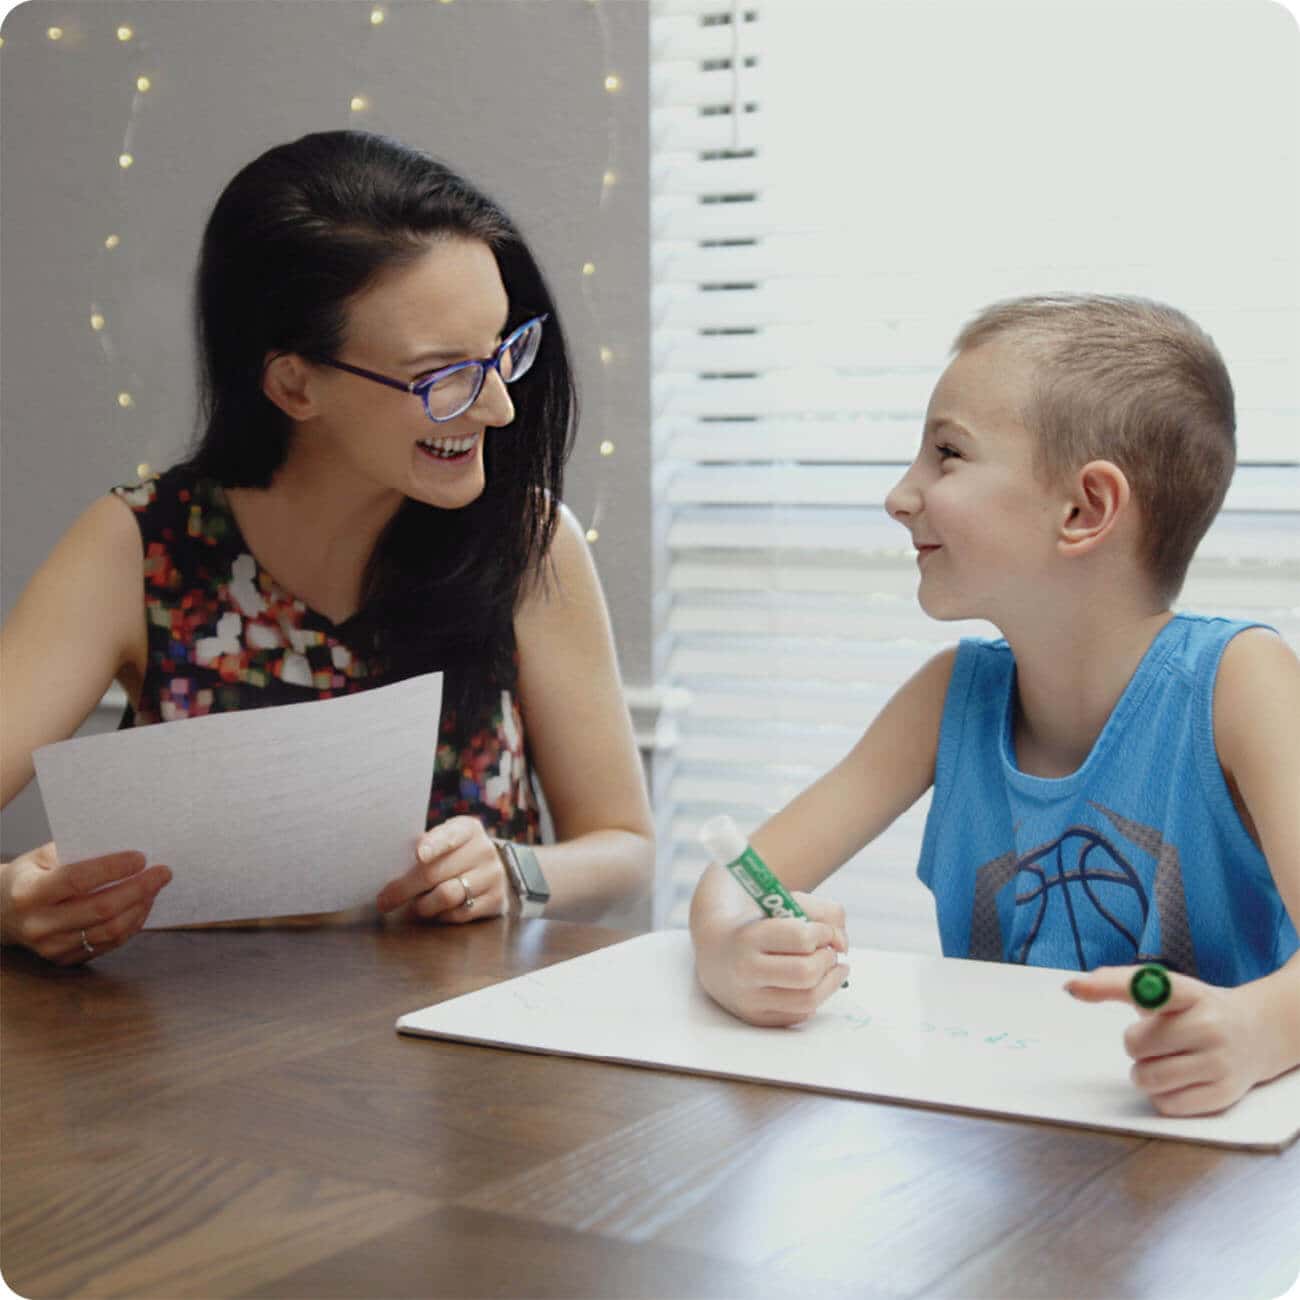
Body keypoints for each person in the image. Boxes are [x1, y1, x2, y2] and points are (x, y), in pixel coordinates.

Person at [0, 130, 654, 965]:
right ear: (293, 384)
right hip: (206, 1059)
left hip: (475, 1063)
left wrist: (514, 872)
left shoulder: (529, 543)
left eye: (500, 352)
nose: (499, 407)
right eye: (442, 375)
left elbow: (625, 846)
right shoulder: (139, 547)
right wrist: (12, 902)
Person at [690, 294, 1300, 1117]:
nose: (900, 495)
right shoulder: (949, 696)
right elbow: (735, 878)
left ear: (1084, 510)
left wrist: (1252, 1030)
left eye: (946, 455)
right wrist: (732, 951)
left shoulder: (1242, 683)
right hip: (996, 1160)